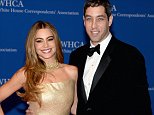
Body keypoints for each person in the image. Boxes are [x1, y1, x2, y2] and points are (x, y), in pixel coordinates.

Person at [69, 0, 152, 115]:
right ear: (84, 21)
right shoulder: (76, 56)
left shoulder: (130, 56)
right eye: (89, 19)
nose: (93, 25)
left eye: (100, 19)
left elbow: (142, 107)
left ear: (110, 20)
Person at [0, 20, 78, 115]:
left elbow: (75, 109)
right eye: (39, 41)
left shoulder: (72, 72)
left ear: (56, 41)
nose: (46, 45)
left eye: (50, 39)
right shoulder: (26, 74)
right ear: (33, 45)